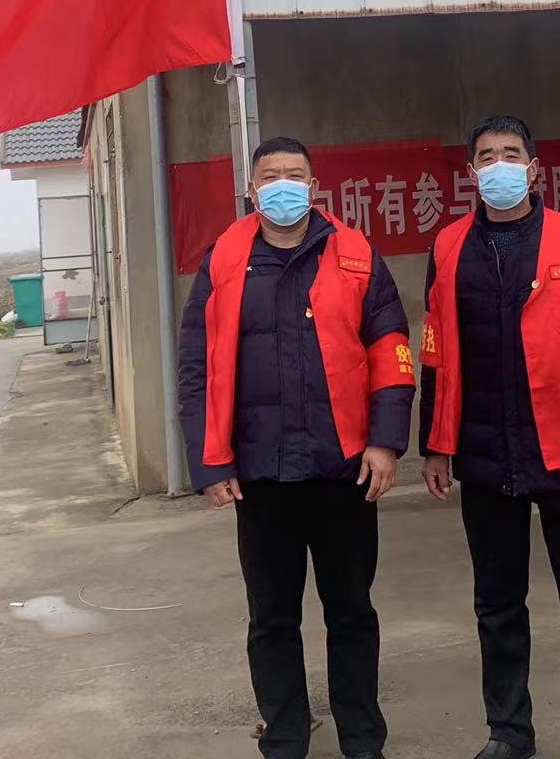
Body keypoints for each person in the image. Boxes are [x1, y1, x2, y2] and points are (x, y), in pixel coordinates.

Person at [178, 136, 415, 759]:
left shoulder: (355, 254)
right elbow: (195, 365)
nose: (282, 185)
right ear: (251, 189)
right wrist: (209, 460)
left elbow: (391, 350)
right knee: (272, 619)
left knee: (352, 613)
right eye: (270, 175)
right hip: (261, 475)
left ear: (313, 186)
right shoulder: (224, 260)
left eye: (294, 175)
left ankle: (362, 740)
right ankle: (284, 739)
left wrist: (386, 441)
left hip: (344, 470)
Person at [419, 115, 560, 759]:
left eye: (511, 154)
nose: (500, 166)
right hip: (484, 454)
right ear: (471, 173)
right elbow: (434, 351)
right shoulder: (449, 247)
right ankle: (509, 732)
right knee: (497, 605)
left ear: (534, 168)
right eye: (487, 156)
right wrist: (436, 444)